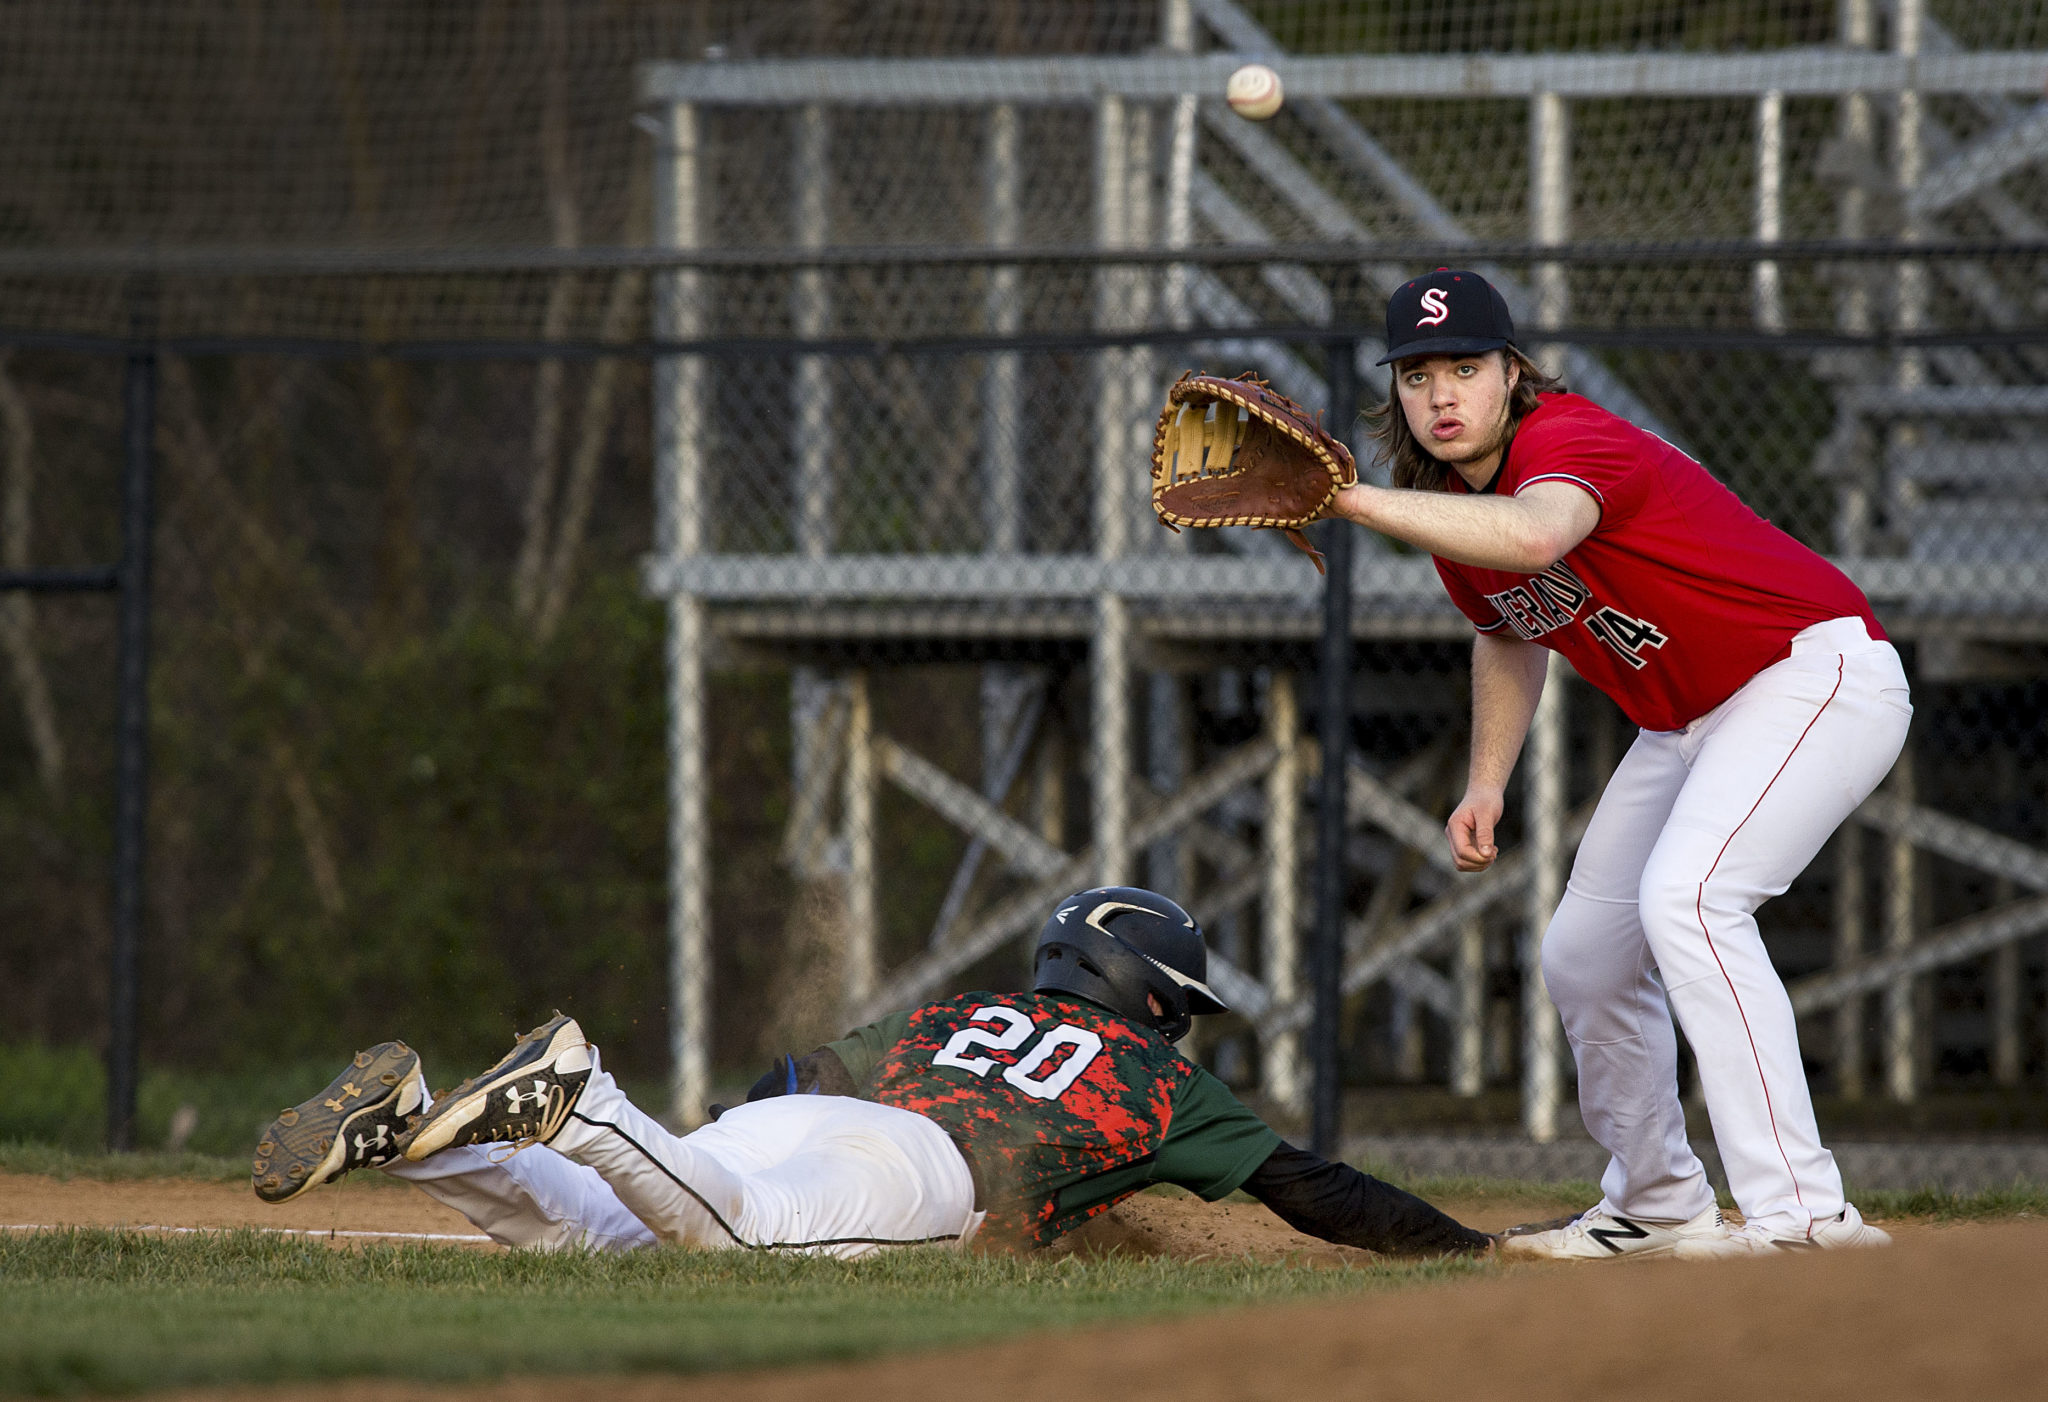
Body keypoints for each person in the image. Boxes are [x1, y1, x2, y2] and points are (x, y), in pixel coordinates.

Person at [1325, 267, 1908, 1259]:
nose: (1441, 395)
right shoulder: (1451, 512)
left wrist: (1346, 499)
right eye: (1417, 376)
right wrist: (1485, 779)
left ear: (1512, 373)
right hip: (1683, 724)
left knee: (1690, 899)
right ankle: (1659, 1201)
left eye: (1464, 368)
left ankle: (1806, 1217)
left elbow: (1534, 535)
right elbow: (1507, 629)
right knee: (1583, 956)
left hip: (1810, 672)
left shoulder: (1566, 439)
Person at [252, 886, 1492, 1260]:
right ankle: (584, 1098)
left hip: (796, 1117)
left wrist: (717, 1140)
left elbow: (794, 1072)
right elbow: (1316, 1189)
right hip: (914, 1174)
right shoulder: (1154, 1083)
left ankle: (418, 1126)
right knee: (735, 1241)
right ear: (1150, 996)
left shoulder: (955, 1011)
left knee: (606, 1238)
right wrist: (1464, 1247)